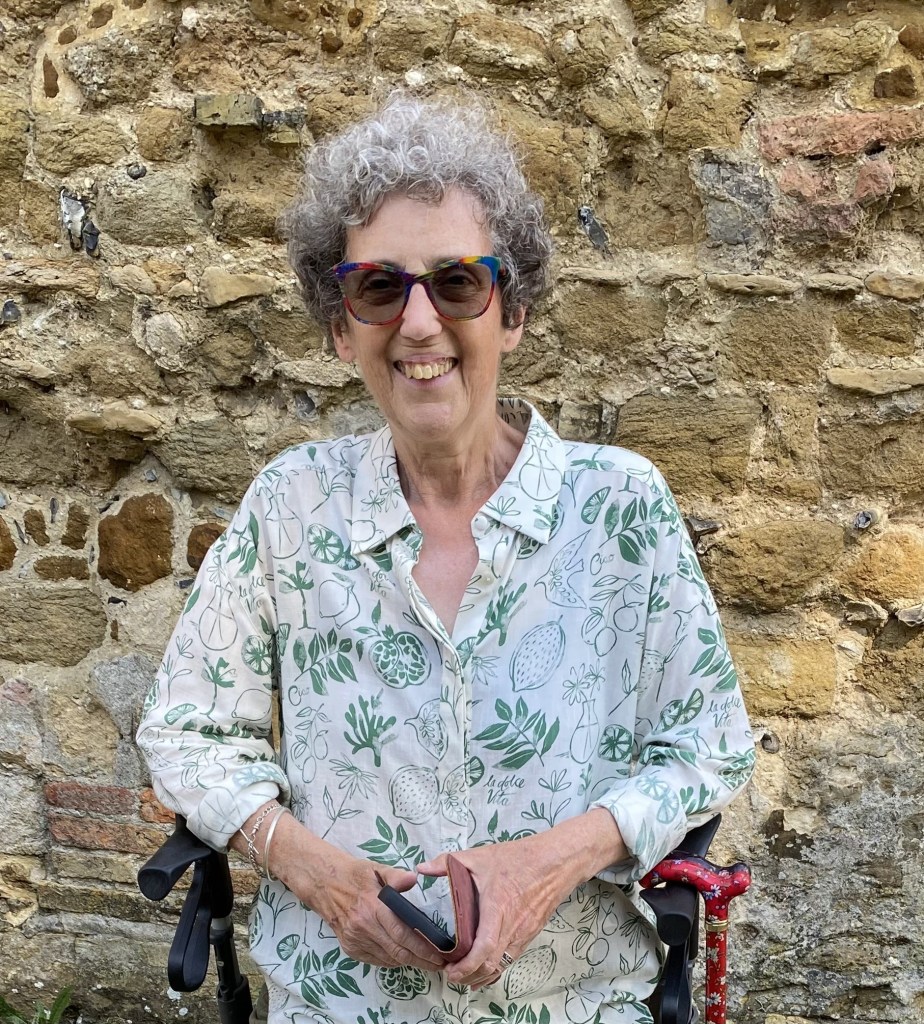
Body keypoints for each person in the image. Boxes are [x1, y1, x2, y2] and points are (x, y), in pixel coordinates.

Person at [137, 94, 754, 1024]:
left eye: (459, 283)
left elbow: (708, 745)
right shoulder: (291, 507)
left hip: (575, 1003)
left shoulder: (620, 507)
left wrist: (555, 860)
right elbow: (186, 731)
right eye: (379, 288)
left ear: (513, 311)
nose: (420, 323)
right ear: (341, 326)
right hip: (341, 1006)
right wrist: (310, 867)